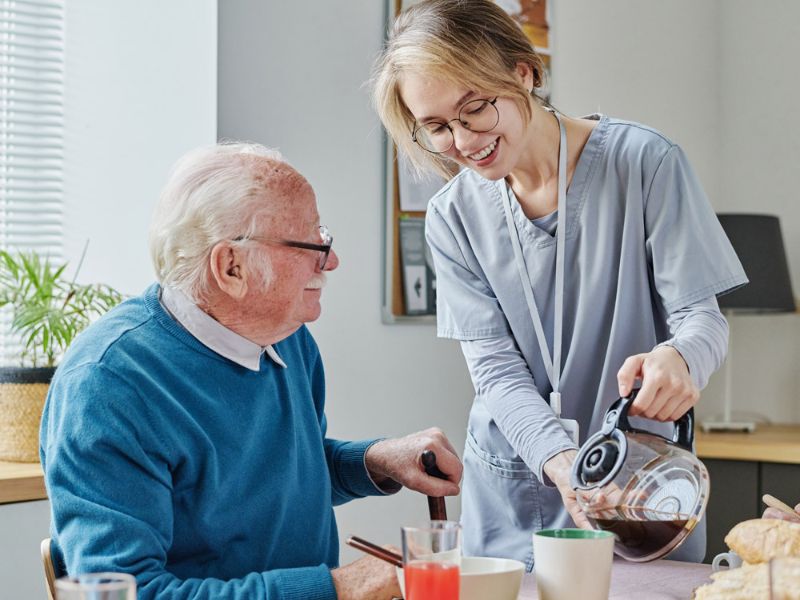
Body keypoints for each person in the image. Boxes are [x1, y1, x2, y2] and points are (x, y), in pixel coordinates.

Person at [371, 0, 747, 567]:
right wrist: (558, 459)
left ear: (524, 73)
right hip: (511, 491)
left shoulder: (643, 163)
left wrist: (681, 358)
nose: (464, 141)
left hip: (636, 484)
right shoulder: (452, 215)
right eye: (437, 127)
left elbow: (702, 319)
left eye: (474, 108)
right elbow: (495, 369)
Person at [40, 142, 463, 600]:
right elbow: (133, 594)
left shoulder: (286, 337)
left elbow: (270, 476)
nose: (331, 260)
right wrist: (336, 589)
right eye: (311, 244)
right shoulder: (107, 385)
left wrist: (374, 461)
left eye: (327, 238)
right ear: (231, 266)